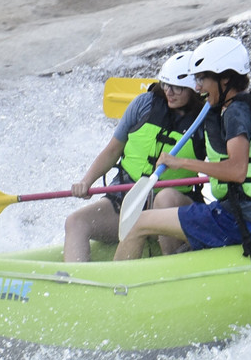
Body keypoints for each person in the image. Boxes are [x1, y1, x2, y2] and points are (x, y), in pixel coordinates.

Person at [114, 36, 251, 261]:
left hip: (240, 219)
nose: (197, 87)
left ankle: (117, 290)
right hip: (250, 214)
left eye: (202, 79)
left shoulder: (235, 113)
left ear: (224, 79)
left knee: (138, 223)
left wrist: (181, 162)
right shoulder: (243, 105)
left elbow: (237, 170)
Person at [63, 52, 205, 262]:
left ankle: (172, 270)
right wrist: (86, 181)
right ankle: (75, 282)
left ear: (194, 89)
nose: (169, 92)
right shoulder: (144, 104)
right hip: (128, 199)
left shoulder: (205, 120)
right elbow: (112, 150)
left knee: (164, 198)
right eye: (165, 85)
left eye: (177, 87)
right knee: (75, 222)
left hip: (173, 204)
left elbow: (223, 165)